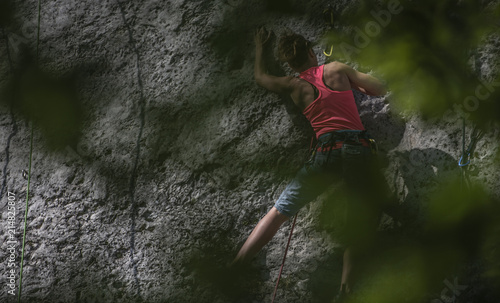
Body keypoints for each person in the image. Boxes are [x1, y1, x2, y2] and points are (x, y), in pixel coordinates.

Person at [232, 27, 387, 301]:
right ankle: (345, 288)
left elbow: (260, 77)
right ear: (312, 52)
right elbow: (379, 88)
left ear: (290, 63)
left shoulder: (292, 85)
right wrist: (352, 84)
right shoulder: (337, 68)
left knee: (279, 211)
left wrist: (259, 47)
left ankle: (237, 265)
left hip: (325, 153)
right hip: (356, 149)